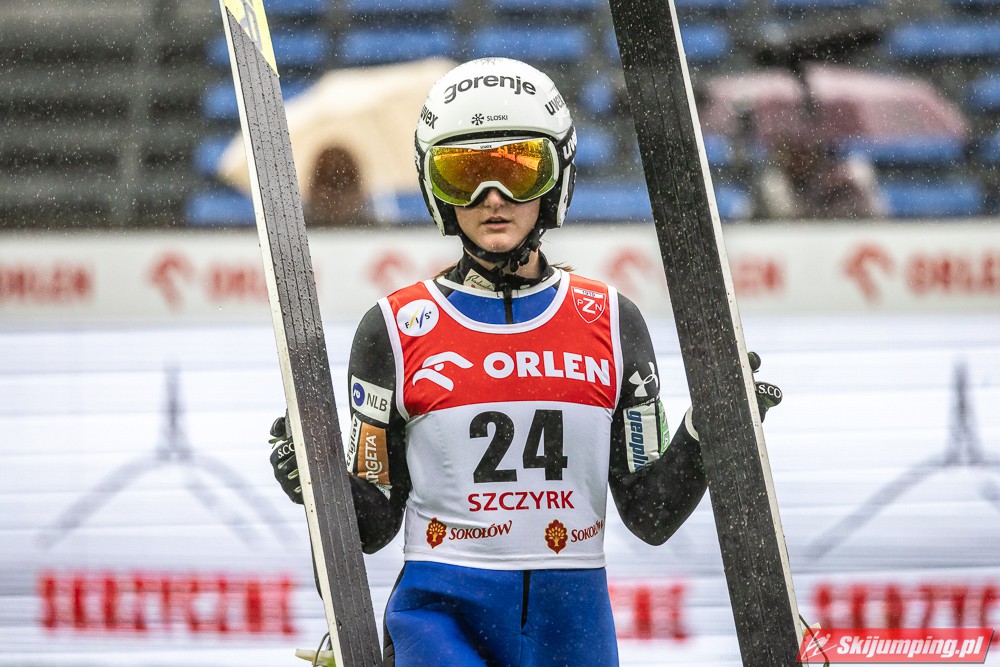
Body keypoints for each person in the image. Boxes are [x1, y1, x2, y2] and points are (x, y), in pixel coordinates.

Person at [268, 57, 782, 667]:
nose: (492, 198)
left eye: (517, 168)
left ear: (557, 177)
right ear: (435, 188)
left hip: (573, 623)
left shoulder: (611, 321)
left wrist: (706, 433)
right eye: (464, 174)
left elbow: (651, 514)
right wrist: (317, 482)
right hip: (440, 619)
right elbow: (372, 526)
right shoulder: (395, 329)